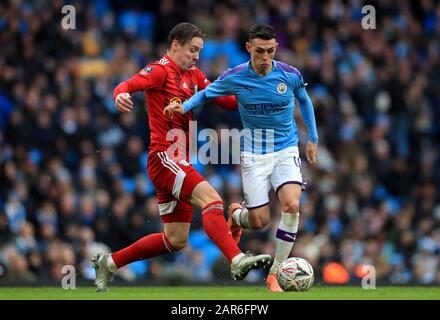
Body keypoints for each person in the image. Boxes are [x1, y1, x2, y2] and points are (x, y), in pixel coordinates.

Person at [92, 23, 271, 292]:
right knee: (212, 199)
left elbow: (227, 100)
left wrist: (261, 96)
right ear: (175, 44)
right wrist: (120, 94)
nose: (197, 56)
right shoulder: (160, 71)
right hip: (165, 156)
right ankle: (236, 259)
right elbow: (129, 84)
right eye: (193, 49)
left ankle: (109, 262)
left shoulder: (195, 76)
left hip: (177, 159)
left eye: (199, 51)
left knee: (175, 239)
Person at [165, 24, 318, 292]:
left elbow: (304, 101)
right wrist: (184, 106)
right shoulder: (235, 76)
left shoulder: (289, 75)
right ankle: (237, 216)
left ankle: (276, 273)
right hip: (255, 155)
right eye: (259, 51)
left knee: (292, 206)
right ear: (249, 48)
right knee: (258, 222)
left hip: (285, 149)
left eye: (270, 51)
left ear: (276, 49)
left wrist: (313, 139)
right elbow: (206, 93)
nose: (265, 57)